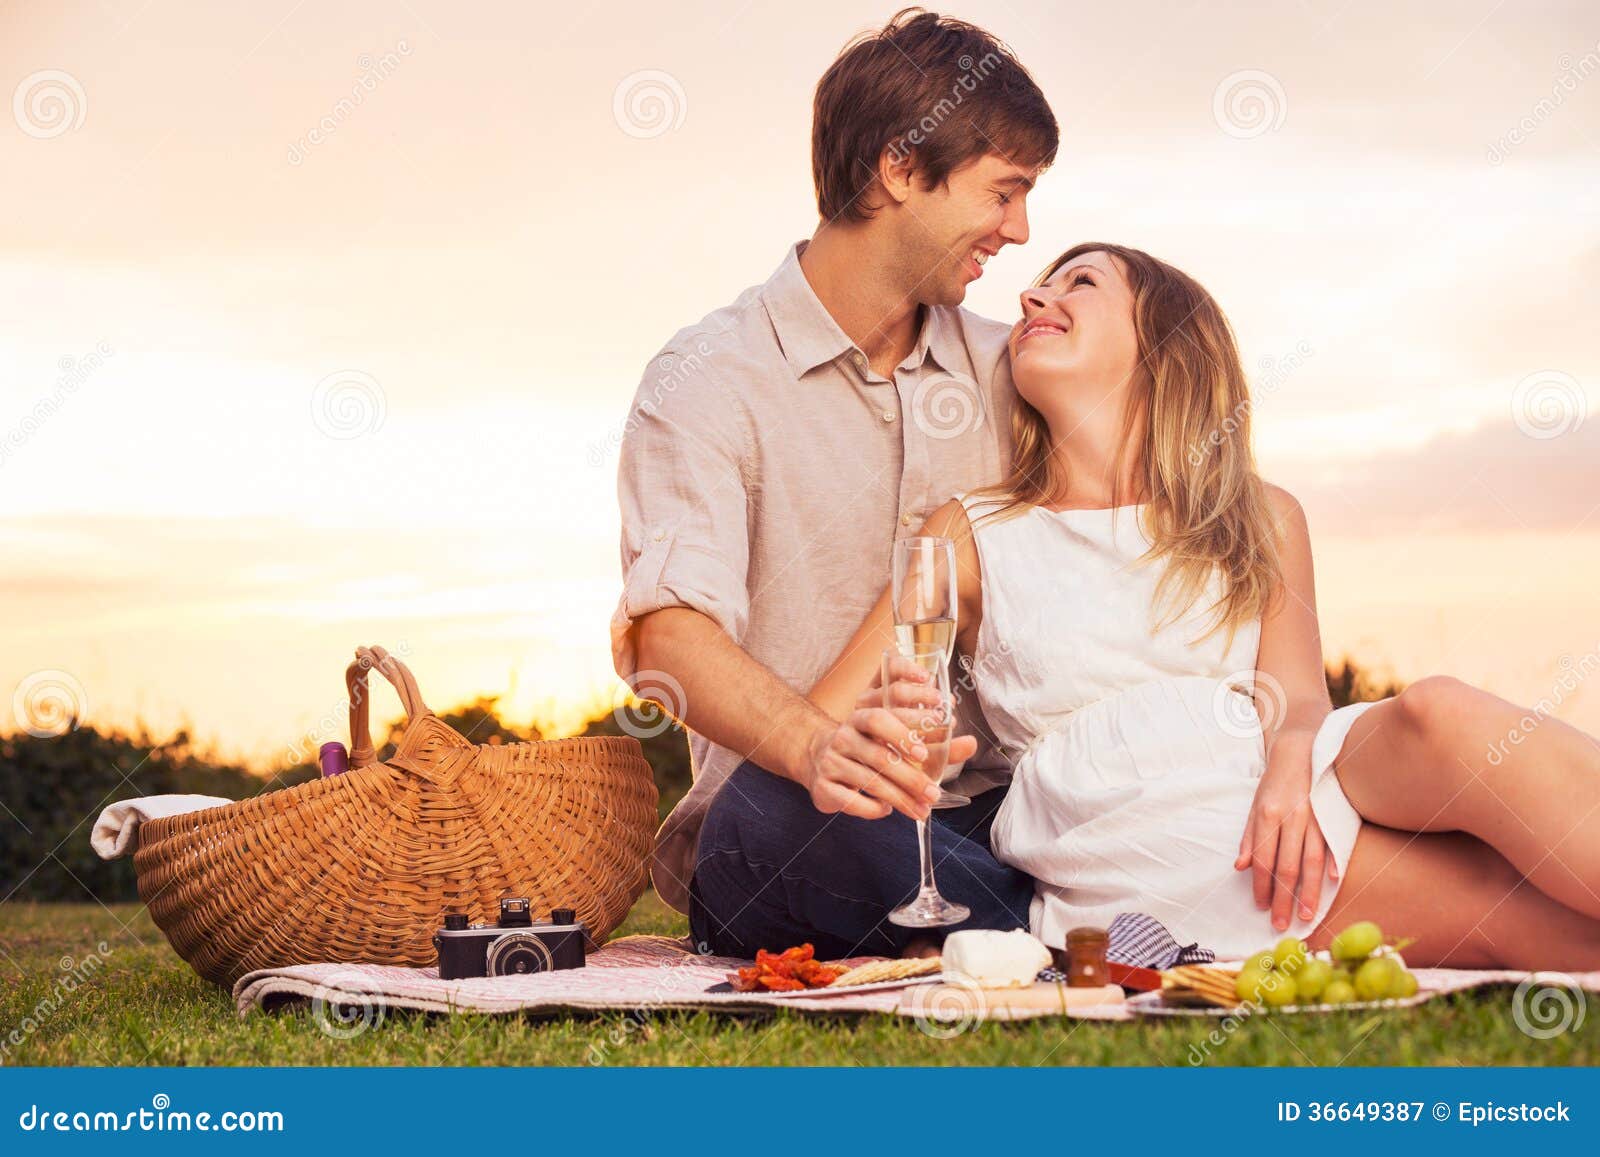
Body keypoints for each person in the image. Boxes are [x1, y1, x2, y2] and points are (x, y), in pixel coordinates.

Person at [811, 241, 1600, 968]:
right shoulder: (973, 531)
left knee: (1440, 712)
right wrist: (881, 727)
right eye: (1040, 285)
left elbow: (1296, 700)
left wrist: (1292, 764)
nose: (1031, 297)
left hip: (1278, 769)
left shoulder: (1261, 513)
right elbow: (822, 722)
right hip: (1140, 822)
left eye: (1078, 283)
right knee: (1508, 904)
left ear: (1164, 345)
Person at [611, 9, 1059, 959]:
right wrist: (818, 748)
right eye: (1005, 192)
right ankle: (1083, 935)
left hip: (1000, 815)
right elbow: (669, 634)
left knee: (1078, 812)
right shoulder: (707, 379)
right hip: (799, 823)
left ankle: (1026, 928)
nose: (1020, 232)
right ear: (900, 168)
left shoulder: (1017, 373)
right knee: (771, 818)